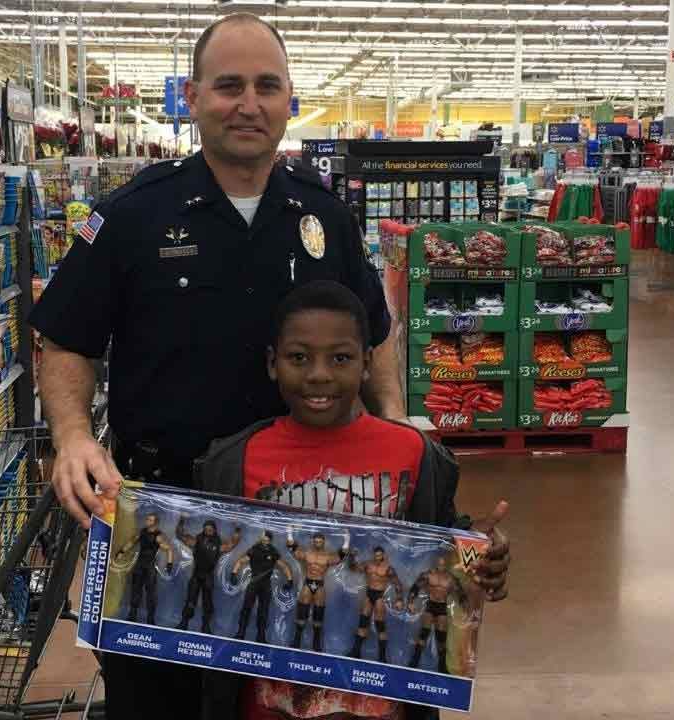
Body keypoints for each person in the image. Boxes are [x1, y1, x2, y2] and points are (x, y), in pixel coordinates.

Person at [29, 14, 409, 719]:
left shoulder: (325, 214)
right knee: (155, 704)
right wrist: (74, 437)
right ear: (193, 96)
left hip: (306, 521)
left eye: (267, 86)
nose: (248, 103)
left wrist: (397, 433)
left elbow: (376, 332)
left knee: (293, 703)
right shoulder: (131, 215)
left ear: (289, 99)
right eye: (229, 85)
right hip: (159, 516)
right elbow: (64, 339)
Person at [196, 280, 509, 720]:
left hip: (381, 700)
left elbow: (443, 547)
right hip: (267, 700)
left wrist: (483, 557)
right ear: (272, 363)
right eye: (299, 358)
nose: (319, 374)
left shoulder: (415, 454)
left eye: (339, 358)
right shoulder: (234, 461)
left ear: (366, 364)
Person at [174, 517, 241, 634]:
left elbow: (233, 543)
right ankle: (184, 623)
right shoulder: (196, 541)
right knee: (190, 600)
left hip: (208, 577)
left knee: (207, 604)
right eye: (206, 528)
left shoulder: (219, 544)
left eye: (210, 528)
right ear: (203, 529)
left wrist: (237, 528)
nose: (208, 530)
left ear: (214, 530)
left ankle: (205, 627)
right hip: (196, 576)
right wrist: (182, 520)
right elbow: (180, 536)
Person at [285, 531, 346, 651]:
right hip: (308, 583)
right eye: (316, 541)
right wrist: (289, 533)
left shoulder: (328, 555)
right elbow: (292, 548)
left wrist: (347, 540)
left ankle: (316, 644)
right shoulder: (307, 553)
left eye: (320, 541)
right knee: (302, 612)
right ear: (313, 541)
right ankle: (296, 641)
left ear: (323, 542)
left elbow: (341, 556)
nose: (318, 543)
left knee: (318, 614)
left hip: (320, 585)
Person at [229, 531, 294, 643]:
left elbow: (284, 566)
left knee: (263, 611)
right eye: (264, 538)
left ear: (270, 540)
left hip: (265, 584)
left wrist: (289, 580)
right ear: (261, 538)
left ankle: (261, 636)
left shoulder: (273, 551)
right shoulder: (255, 549)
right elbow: (241, 561)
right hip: (254, 582)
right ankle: (241, 632)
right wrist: (234, 573)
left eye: (267, 539)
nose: (265, 541)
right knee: (246, 608)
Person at [113, 512, 175, 625]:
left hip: (150, 567)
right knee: (135, 591)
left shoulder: (158, 536)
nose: (147, 521)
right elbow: (132, 542)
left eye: (150, 520)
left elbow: (169, 549)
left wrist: (169, 564)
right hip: (139, 565)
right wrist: (121, 552)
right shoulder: (142, 532)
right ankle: (132, 615)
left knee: (151, 594)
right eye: (147, 519)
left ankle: (150, 618)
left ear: (155, 522)